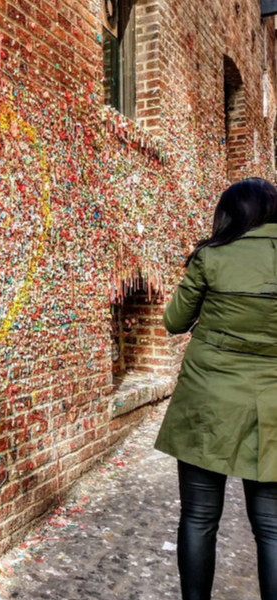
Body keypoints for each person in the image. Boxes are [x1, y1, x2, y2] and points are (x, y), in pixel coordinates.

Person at [155, 177, 277, 600]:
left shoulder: (212, 257)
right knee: (273, 527)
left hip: (208, 399)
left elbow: (174, 321)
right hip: (273, 407)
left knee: (199, 516)